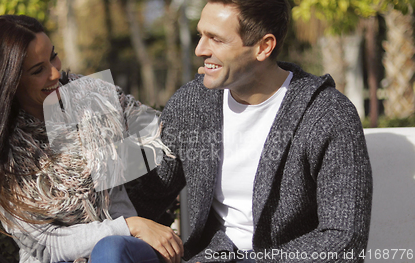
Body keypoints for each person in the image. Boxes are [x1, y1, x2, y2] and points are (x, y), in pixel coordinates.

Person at [127, 0, 373, 262]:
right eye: (201, 35)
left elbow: (344, 239)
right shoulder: (192, 103)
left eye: (216, 39)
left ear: (263, 47)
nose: (200, 49)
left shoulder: (327, 115)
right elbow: (145, 195)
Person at [0, 15, 183, 263]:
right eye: (38, 70)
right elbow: (48, 246)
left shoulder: (92, 98)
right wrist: (130, 225)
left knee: (109, 251)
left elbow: (164, 138)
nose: (56, 72)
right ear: (9, 82)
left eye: (53, 56)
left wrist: (142, 215)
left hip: (122, 251)